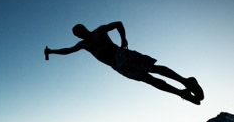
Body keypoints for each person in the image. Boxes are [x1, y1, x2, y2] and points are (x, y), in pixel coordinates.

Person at [44, 22, 204, 105]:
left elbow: (118, 23)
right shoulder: (83, 45)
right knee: (149, 80)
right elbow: (67, 50)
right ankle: (181, 93)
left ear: (84, 28)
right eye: (76, 34)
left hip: (121, 54)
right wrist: (51, 51)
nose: (79, 35)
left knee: (153, 68)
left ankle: (186, 81)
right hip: (118, 66)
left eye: (79, 31)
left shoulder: (99, 31)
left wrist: (123, 38)